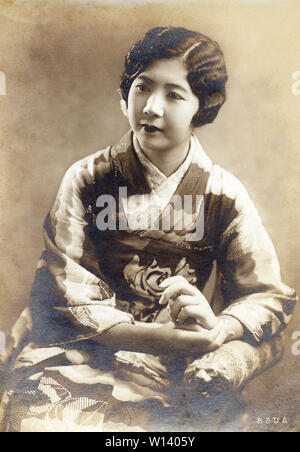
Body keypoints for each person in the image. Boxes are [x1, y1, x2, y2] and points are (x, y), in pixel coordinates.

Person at [0, 26, 297, 432]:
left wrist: (217, 328)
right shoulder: (88, 179)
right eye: (142, 87)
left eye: (174, 95)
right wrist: (164, 337)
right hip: (76, 354)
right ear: (126, 95)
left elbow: (266, 295)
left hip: (170, 370)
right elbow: (64, 297)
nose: (151, 107)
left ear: (202, 106)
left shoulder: (222, 194)